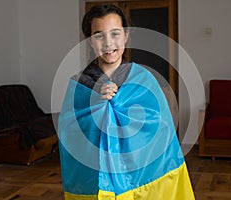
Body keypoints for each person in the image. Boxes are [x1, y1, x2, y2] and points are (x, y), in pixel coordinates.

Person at [58, 4, 195, 200]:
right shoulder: (79, 84)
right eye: (99, 35)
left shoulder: (143, 78)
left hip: (138, 175)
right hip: (95, 176)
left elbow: (160, 127)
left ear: (126, 36)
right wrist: (95, 105)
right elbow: (69, 132)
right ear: (89, 41)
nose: (108, 43)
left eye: (115, 34)